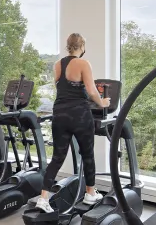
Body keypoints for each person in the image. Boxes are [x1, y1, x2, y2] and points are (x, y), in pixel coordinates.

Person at [36, 33, 111, 213]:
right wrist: (103, 103)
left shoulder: (57, 65)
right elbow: (92, 91)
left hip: (59, 114)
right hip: (79, 115)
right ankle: (90, 193)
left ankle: (43, 198)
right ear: (82, 46)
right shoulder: (84, 64)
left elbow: (62, 88)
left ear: (67, 46)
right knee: (87, 154)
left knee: (57, 157)